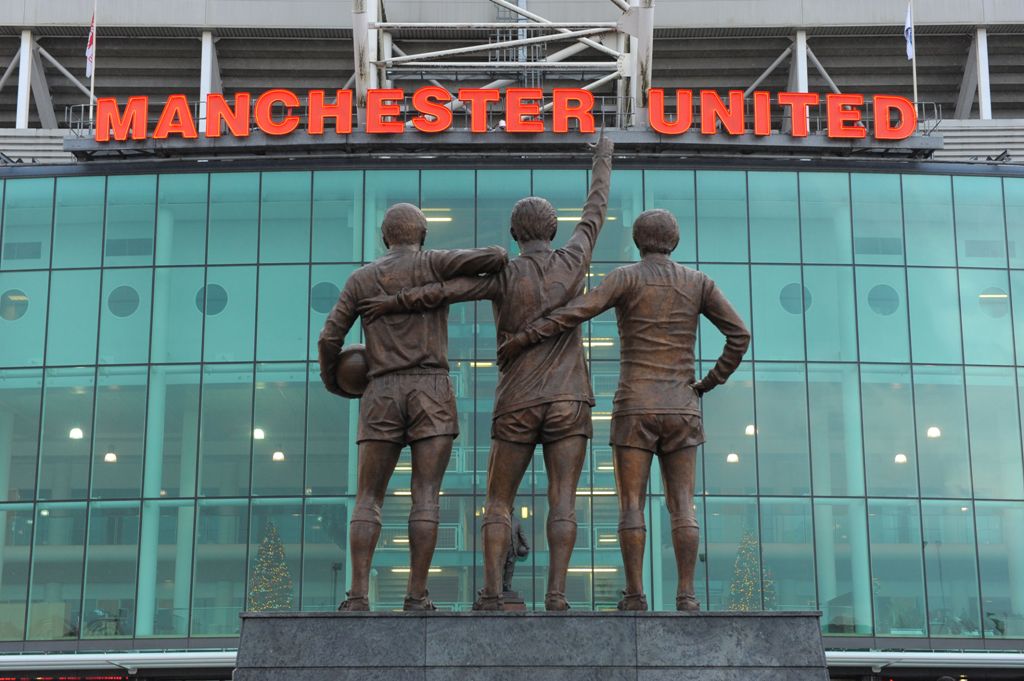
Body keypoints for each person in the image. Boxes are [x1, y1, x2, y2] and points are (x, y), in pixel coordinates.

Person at [358, 135, 614, 610]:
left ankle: (493, 593)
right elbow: (595, 209)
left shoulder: (503, 275)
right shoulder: (574, 259)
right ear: (553, 230)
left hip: (516, 400)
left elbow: (443, 292)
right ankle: (556, 596)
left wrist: (390, 302)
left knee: (498, 502)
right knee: (563, 500)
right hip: (569, 399)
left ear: (516, 234)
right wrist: (603, 158)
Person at [497, 208, 750, 611]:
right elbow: (740, 335)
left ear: (637, 242)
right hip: (683, 405)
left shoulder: (625, 278)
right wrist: (708, 381)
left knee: (631, 505)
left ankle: (635, 594)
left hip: (635, 405)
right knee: (682, 503)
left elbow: (576, 312)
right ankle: (686, 596)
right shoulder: (699, 282)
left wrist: (527, 336)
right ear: (675, 241)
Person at [318, 203, 507, 611]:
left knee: (368, 497)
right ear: (421, 235)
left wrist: (334, 382)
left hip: (380, 390)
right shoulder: (434, 263)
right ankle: (416, 595)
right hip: (431, 389)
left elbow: (328, 338)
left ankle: (357, 596)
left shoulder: (361, 278)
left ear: (385, 237)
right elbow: (497, 256)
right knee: (426, 495)